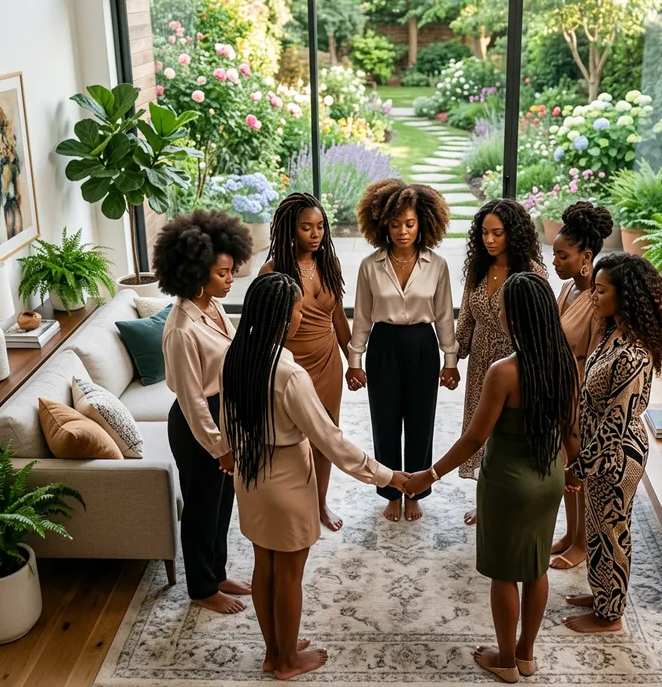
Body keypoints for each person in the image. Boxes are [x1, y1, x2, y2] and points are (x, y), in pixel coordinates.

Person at [220, 273, 408, 679]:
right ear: (280, 319)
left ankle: (275, 650)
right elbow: (330, 440)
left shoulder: (233, 358)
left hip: (251, 476)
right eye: (297, 312)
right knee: (289, 574)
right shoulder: (289, 375)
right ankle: (287, 661)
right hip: (287, 479)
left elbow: (226, 423)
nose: (300, 319)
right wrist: (387, 475)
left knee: (264, 565)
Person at [404, 273, 579, 683]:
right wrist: (571, 469)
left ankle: (504, 660)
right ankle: (527, 655)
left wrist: (428, 474)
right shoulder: (566, 362)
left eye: (502, 308)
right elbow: (572, 431)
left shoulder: (504, 372)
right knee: (536, 569)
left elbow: (474, 439)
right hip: (549, 476)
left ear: (515, 319)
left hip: (508, 483)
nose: (497, 312)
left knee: (505, 572)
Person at [563, 252, 662, 633]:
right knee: (597, 528)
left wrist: (579, 468)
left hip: (615, 457)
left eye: (601, 290)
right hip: (600, 453)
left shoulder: (632, 355)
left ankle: (610, 616)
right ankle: (601, 593)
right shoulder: (614, 332)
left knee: (612, 533)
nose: (593, 296)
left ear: (624, 296)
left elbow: (614, 427)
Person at [156, 209, 254, 614]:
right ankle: (201, 589)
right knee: (200, 508)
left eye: (231, 271)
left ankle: (217, 571)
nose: (230, 280)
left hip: (223, 414)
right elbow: (193, 399)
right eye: (223, 274)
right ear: (196, 274)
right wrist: (219, 447)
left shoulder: (212, 309)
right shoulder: (181, 328)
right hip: (199, 425)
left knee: (223, 502)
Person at [346, 178, 459, 523]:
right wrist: (355, 360)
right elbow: (363, 315)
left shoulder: (437, 265)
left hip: (423, 345)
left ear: (423, 223)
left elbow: (443, 315)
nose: (403, 232)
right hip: (384, 346)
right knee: (385, 420)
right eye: (395, 225)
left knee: (422, 421)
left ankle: (416, 491)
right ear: (383, 225)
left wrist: (450, 360)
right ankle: (391, 490)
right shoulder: (370, 265)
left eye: (409, 224)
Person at [260, 192, 350, 532]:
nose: (316, 234)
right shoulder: (272, 270)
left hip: (327, 360)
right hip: (289, 365)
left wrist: (353, 360)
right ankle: (291, 501)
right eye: (306, 228)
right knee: (291, 439)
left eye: (321, 227)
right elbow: (264, 326)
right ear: (289, 230)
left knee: (325, 435)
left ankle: (320, 502)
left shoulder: (330, 264)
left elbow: (338, 316)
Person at [456, 198, 546, 526]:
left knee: (508, 435)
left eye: (497, 233)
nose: (489, 240)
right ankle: (486, 500)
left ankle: (514, 496)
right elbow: (466, 316)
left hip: (516, 366)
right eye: (484, 233)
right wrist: (453, 359)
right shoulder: (479, 269)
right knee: (480, 432)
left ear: (515, 234)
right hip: (480, 363)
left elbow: (541, 324)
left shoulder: (532, 273)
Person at [549, 201, 613, 570]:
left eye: (563, 255)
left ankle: (583, 545)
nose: (555, 262)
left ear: (586, 256)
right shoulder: (570, 289)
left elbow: (597, 357)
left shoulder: (597, 301)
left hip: (581, 393)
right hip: (561, 386)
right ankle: (571, 534)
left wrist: (580, 404)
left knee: (579, 469)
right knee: (565, 468)